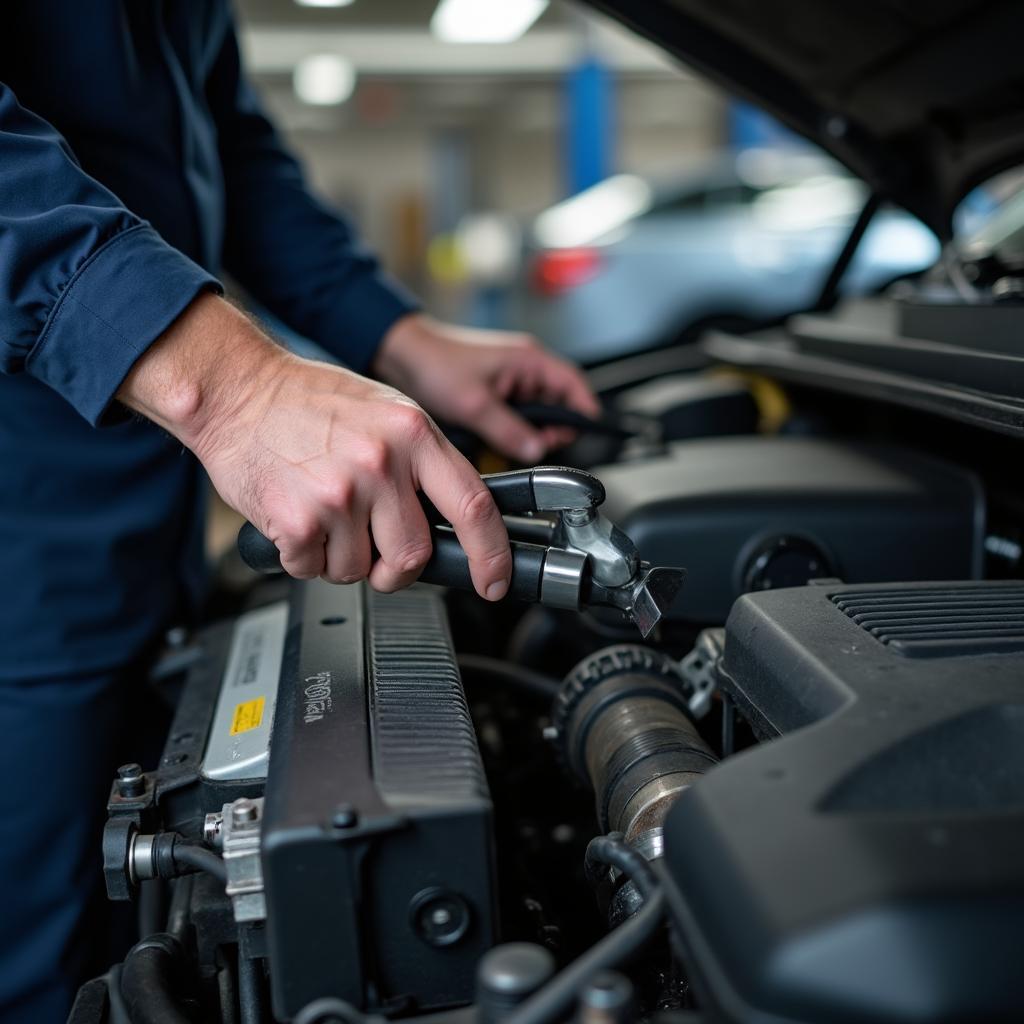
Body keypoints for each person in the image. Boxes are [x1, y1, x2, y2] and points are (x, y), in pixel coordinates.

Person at [0, 4, 598, 1020]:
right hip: (21, 561)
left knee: (124, 917)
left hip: (131, 543)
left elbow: (223, 150)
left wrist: (398, 336)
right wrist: (229, 388)